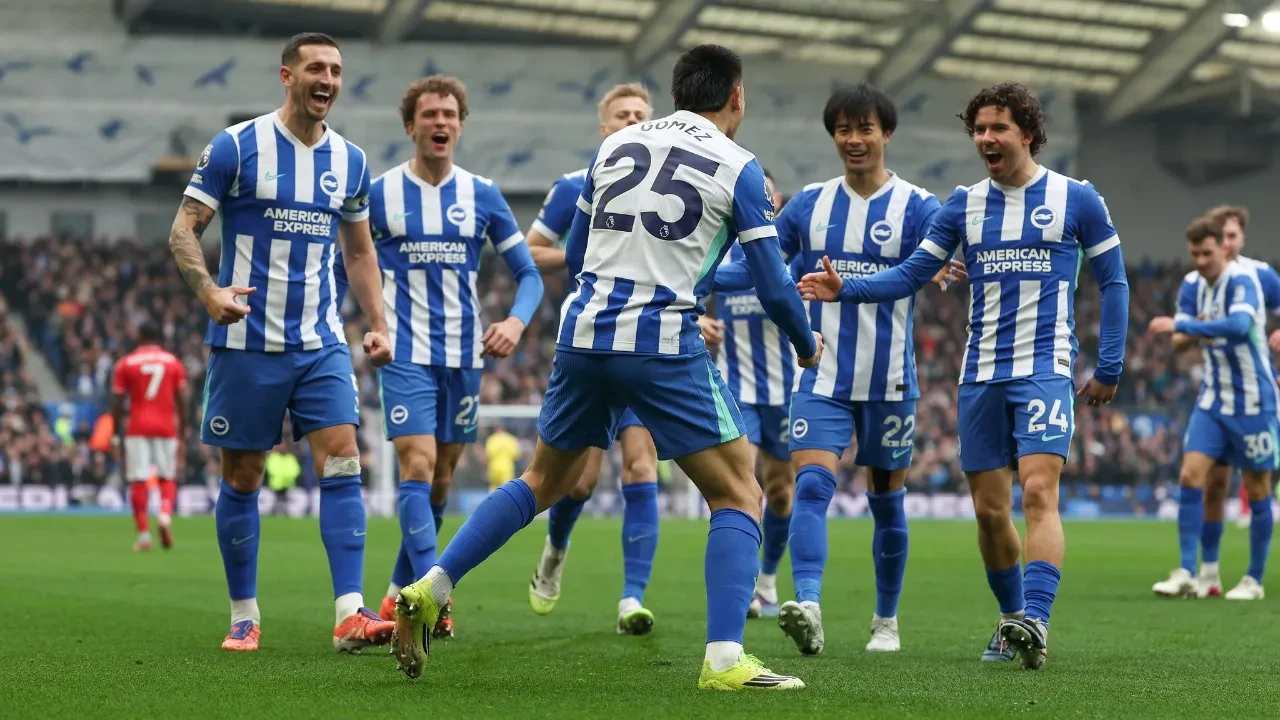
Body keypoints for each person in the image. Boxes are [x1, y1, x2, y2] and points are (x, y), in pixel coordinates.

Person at [390, 43, 822, 690]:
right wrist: (806, 344)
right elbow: (773, 283)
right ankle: (727, 660)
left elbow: (578, 249)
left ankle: (432, 585)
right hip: (660, 340)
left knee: (540, 481)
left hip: (584, 333)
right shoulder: (738, 166)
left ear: (676, 94)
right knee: (739, 492)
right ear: (736, 98)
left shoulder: (614, 150)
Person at [798, 81, 1130, 670]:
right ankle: (1010, 623)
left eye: (998, 127)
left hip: (1044, 368)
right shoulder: (962, 205)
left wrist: (1108, 365)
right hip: (979, 374)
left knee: (1039, 491)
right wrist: (845, 287)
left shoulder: (1077, 199)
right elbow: (908, 275)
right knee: (988, 510)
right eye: (978, 129)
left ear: (1027, 132)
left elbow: (1114, 282)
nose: (986, 139)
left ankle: (1037, 618)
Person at [714, 85, 963, 652]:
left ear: (886, 134)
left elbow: (946, 251)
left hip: (890, 382)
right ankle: (809, 603)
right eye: (843, 130)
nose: (854, 139)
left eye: (865, 129)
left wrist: (949, 264)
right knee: (811, 486)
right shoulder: (808, 205)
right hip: (822, 376)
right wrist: (690, 280)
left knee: (886, 502)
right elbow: (759, 263)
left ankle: (885, 621)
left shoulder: (918, 206)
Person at [169, 32, 395, 653]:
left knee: (345, 457)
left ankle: (350, 613)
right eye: (316, 68)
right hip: (246, 343)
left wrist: (376, 322)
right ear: (287, 76)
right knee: (243, 476)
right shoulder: (237, 146)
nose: (328, 79)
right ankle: (244, 614)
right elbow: (183, 230)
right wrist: (210, 292)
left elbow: (359, 249)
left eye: (337, 70)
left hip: (320, 341)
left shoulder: (350, 160)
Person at [359, 75, 543, 640]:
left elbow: (529, 275)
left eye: (450, 115)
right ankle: (434, 597)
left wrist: (514, 321)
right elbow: (354, 258)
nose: (440, 122)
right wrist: (374, 327)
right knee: (416, 466)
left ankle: (396, 598)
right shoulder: (379, 193)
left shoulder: (482, 194)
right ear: (410, 125)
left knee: (439, 481)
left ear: (460, 125)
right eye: (429, 114)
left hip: (464, 355)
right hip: (405, 350)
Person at [524, 82, 666, 635]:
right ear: (604, 127)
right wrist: (579, 254)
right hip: (587, 344)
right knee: (576, 482)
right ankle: (556, 550)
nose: (631, 121)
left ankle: (631, 598)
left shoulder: (667, 192)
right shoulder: (574, 185)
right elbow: (529, 250)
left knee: (641, 464)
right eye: (621, 114)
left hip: (646, 344)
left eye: (640, 114)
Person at [1148, 215, 1278, 601]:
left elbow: (1238, 326)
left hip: (1254, 400)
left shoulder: (1245, 281)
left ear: (1223, 248)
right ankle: (1191, 571)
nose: (1201, 262)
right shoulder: (1191, 285)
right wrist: (1185, 330)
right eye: (1194, 255)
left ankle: (1253, 579)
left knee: (1257, 489)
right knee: (1192, 475)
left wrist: (1187, 326)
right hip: (1213, 399)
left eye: (1207, 253)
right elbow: (1177, 344)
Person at [710, 167, 795, 621]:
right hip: (737, 389)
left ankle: (766, 581)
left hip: (786, 392)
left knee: (781, 492)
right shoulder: (721, 253)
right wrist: (699, 323)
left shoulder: (789, 254)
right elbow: (690, 293)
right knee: (745, 484)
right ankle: (740, 587)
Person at [111, 321, 188, 552]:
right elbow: (183, 398)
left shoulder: (126, 362)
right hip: (166, 427)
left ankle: (144, 536)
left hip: (138, 427)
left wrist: (116, 436)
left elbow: (117, 402)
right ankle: (164, 515)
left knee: (138, 479)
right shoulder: (172, 362)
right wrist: (182, 432)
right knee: (167, 476)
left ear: (140, 336)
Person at [485, 427, 521, 492]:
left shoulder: (492, 438)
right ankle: (506, 501)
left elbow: (488, 454)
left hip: (494, 467)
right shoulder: (511, 439)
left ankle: (493, 501)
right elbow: (516, 455)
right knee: (507, 488)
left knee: (493, 487)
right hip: (507, 467)